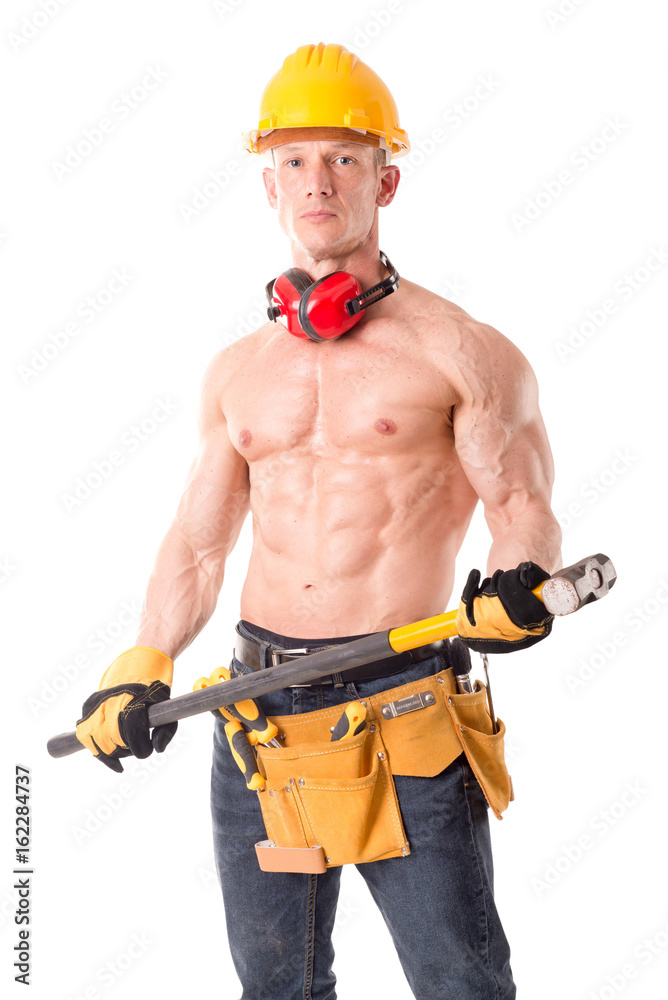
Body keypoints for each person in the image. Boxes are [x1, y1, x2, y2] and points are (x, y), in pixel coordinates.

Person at [75, 42, 562, 1000]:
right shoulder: (238, 372)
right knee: (278, 990)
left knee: (460, 983)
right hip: (257, 718)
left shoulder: (464, 352)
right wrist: (144, 658)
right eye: (293, 160)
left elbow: (523, 507)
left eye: (343, 156)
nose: (317, 180)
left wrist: (520, 585)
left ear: (387, 179)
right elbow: (200, 543)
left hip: (404, 707)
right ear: (269, 186)